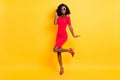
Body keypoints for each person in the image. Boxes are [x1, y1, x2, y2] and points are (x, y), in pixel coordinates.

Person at [53, 3, 80, 75]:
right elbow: (55, 23)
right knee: (58, 52)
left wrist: (73, 35)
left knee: (55, 49)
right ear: (60, 10)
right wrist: (55, 14)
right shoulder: (59, 18)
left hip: (64, 36)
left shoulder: (67, 17)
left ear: (66, 9)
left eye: (65, 9)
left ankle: (69, 50)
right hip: (58, 36)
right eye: (62, 9)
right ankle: (61, 67)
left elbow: (70, 26)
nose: (63, 10)